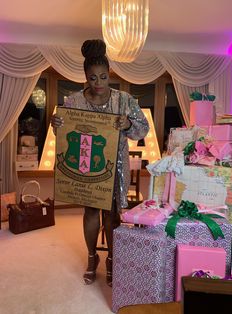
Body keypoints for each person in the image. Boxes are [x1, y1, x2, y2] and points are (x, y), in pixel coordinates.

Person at [51, 39, 149, 287]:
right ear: (86, 77)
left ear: (109, 75)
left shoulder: (124, 100)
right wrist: (57, 125)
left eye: (103, 77)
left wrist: (127, 124)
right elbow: (63, 135)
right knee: (91, 213)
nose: (98, 84)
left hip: (114, 167)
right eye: (92, 78)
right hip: (84, 168)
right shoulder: (73, 101)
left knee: (113, 215)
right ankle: (92, 257)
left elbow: (142, 129)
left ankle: (113, 259)